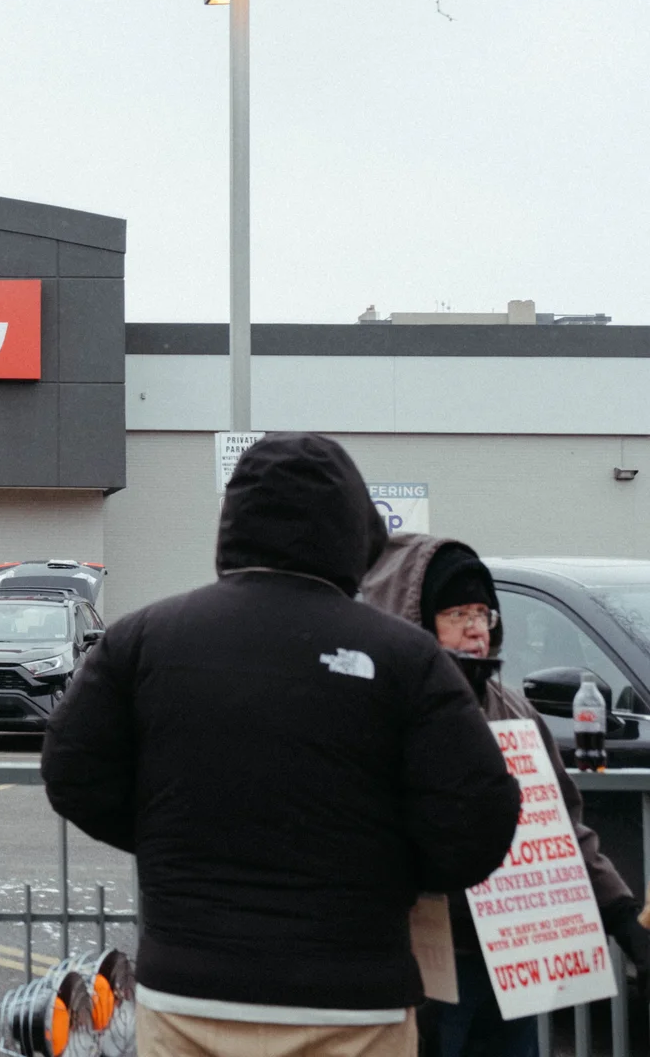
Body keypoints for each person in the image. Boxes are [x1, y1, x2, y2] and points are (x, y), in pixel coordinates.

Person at [43, 432, 522, 1057]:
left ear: (232, 524)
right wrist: (392, 872)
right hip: (355, 1003)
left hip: (189, 994)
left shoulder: (145, 639)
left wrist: (168, 837)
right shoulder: (406, 658)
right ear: (355, 532)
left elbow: (73, 770)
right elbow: (479, 815)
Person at [362, 532, 649, 1056]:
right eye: (457, 615)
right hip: (423, 963)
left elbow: (563, 827)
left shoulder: (513, 709)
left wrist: (622, 916)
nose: (477, 632)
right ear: (417, 624)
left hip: (513, 960)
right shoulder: (379, 714)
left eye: (484, 614)